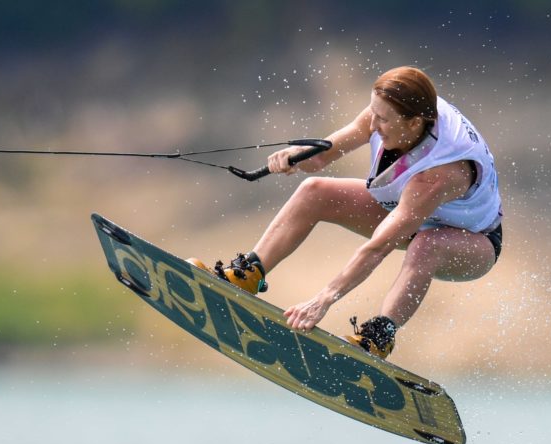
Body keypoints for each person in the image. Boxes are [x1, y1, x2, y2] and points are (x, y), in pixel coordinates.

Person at [189, 66, 503, 359]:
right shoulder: (392, 107)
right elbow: (327, 153)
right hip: (412, 214)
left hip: (473, 241)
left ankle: (379, 337)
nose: (373, 124)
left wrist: (323, 298)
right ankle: (248, 274)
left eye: (382, 120)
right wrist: (297, 156)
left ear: (413, 123)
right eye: (373, 113)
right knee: (314, 191)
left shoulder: (440, 174)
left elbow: (379, 247)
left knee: (426, 245)